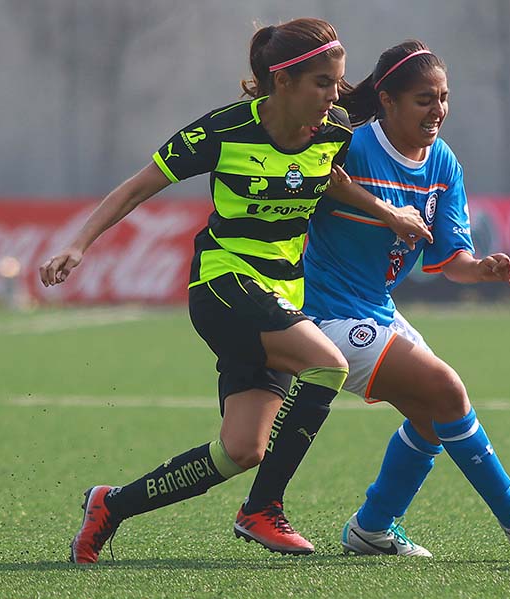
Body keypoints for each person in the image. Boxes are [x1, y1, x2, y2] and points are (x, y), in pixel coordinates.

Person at [40, 18, 425, 563]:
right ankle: (263, 508)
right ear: (281, 82)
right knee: (328, 363)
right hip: (224, 283)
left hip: (282, 294)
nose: (334, 96)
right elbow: (138, 186)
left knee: (242, 450)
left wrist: (390, 216)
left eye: (337, 83)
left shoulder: (332, 130)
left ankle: (111, 505)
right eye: (321, 83)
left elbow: (331, 177)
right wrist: (78, 245)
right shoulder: (222, 131)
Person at [300, 40, 510, 556]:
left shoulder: (443, 163)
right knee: (446, 388)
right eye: (423, 99)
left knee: (431, 417)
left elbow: (450, 257)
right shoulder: (350, 144)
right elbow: (303, 176)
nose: (438, 110)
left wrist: (481, 269)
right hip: (324, 314)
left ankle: (371, 528)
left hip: (377, 308)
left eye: (443, 97)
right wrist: (381, 210)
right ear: (386, 100)